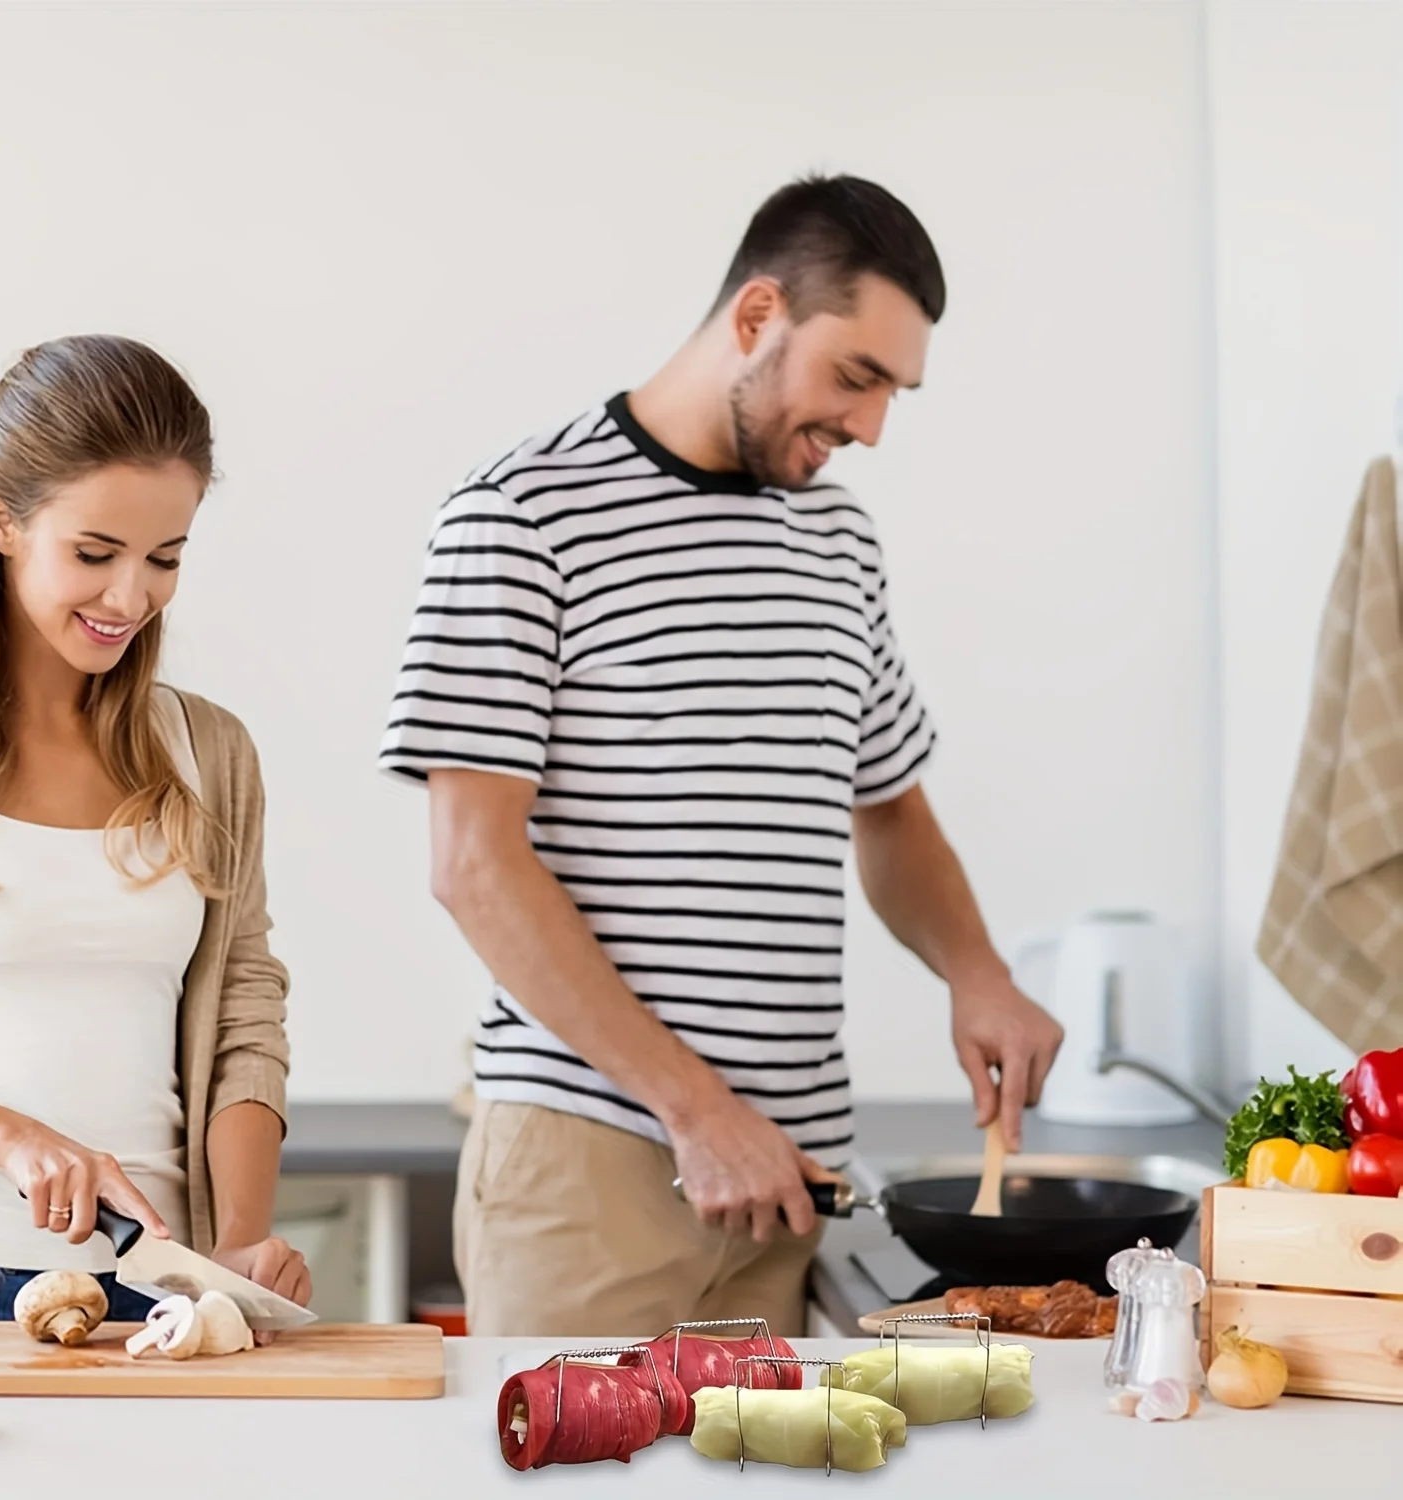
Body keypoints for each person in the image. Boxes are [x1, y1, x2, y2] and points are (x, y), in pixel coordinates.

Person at [379, 174, 1064, 1338]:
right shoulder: (522, 513)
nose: (871, 426)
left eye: (895, 392)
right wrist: (697, 1112)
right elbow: (474, 865)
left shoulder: (838, 540)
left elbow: (888, 810)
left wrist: (977, 971)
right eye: (855, 376)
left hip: (785, 1178)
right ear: (756, 318)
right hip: (597, 1163)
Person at [0, 334, 310, 1329]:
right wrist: (11, 1138)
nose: (131, 597)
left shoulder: (209, 754)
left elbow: (246, 1015)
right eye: (96, 553)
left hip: (167, 1289)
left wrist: (237, 1248)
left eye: (164, 558)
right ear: (3, 521)